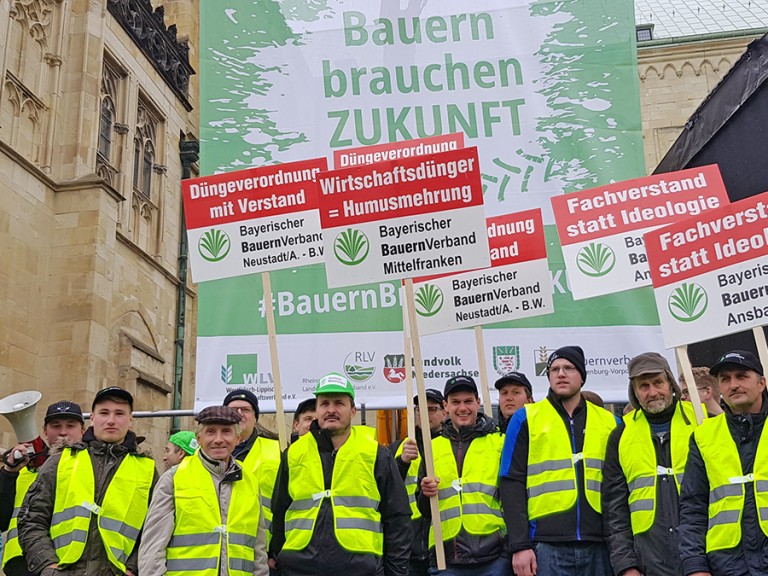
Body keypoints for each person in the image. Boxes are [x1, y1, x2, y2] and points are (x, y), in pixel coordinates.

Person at [269, 372, 411, 576]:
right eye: (324, 403)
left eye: (339, 403)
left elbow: (397, 517)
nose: (331, 410)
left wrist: (396, 571)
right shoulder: (293, 455)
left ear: (353, 410)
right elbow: (279, 509)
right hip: (299, 568)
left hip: (360, 569)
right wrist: (277, 554)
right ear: (317, 410)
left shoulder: (376, 454)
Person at [500, 346, 617, 576]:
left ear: (582, 376)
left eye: (569, 368)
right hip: (546, 545)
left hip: (600, 544)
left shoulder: (611, 422)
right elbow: (510, 482)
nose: (560, 374)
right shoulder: (525, 418)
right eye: (554, 369)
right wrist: (520, 545)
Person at [18, 387, 158, 576]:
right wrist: (47, 566)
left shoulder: (147, 469)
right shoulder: (61, 460)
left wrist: (133, 569)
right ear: (92, 418)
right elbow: (32, 518)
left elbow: (153, 531)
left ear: (130, 419)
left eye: (119, 413)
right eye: (104, 413)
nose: (111, 420)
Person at [138, 405, 268, 575]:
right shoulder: (174, 478)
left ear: (237, 438)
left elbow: (258, 551)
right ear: (199, 438)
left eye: (226, 432)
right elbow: (153, 547)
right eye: (211, 432)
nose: (218, 439)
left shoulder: (250, 481)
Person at [603, 352, 697, 576]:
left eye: (658, 383)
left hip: (701, 557)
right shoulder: (621, 434)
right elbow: (614, 509)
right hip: (649, 561)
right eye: (643, 386)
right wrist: (626, 566)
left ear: (671, 384)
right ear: (634, 393)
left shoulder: (702, 421)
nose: (653, 392)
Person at [678, 350, 768, 576]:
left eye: (741, 376)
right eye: (725, 379)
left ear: (762, 383)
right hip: (727, 565)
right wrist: (695, 566)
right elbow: (693, 508)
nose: (733, 384)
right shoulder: (704, 436)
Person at [417, 376, 510, 575]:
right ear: (445, 406)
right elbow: (424, 511)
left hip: (493, 558)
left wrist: (508, 551)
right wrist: (425, 493)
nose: (462, 408)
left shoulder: (499, 442)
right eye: (455, 402)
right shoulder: (432, 447)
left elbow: (513, 498)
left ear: (478, 402)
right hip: (446, 559)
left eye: (468, 401)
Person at [1, 401, 85, 576]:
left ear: (82, 430)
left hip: (67, 560)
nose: (63, 432)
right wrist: (9, 472)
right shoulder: (24, 466)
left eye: (70, 426)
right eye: (56, 426)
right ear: (45, 431)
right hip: (21, 562)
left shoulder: (90, 466)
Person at [391, 389, 446, 576]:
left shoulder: (452, 446)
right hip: (409, 547)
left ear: (444, 412)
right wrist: (401, 462)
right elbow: (382, 489)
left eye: (431, 409)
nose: (423, 413)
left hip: (443, 543)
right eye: (419, 409)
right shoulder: (400, 447)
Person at [224, 389, 281, 545]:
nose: (239, 413)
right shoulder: (205, 454)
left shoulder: (278, 450)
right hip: (215, 547)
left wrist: (277, 550)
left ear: (256, 418)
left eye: (246, 410)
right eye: (233, 410)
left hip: (263, 546)